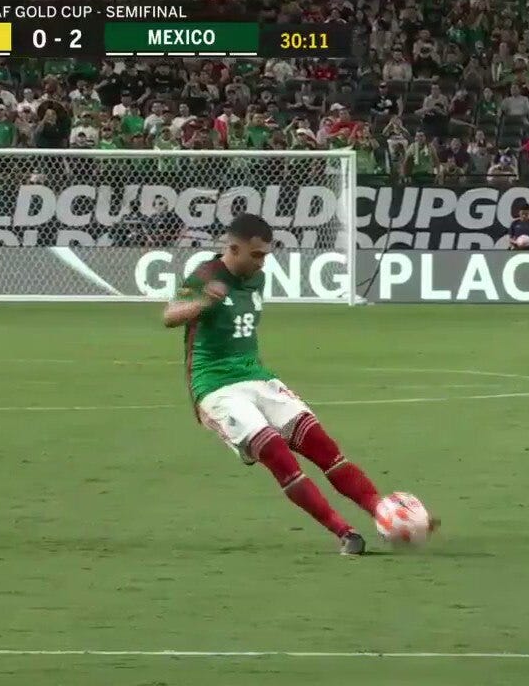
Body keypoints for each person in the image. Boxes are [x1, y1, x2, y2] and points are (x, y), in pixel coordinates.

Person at [162, 214, 429, 555]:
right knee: (275, 450)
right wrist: (202, 302)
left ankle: (386, 512)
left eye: (265, 255)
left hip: (257, 377)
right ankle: (343, 532)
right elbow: (169, 315)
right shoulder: (206, 275)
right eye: (255, 254)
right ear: (233, 248)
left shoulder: (255, 278)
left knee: (323, 446)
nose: (262, 262)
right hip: (215, 386)